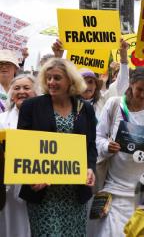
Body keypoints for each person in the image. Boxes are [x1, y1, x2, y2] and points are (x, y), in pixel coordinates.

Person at [16, 58, 97, 236]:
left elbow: (90, 146)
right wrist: (31, 177)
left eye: (57, 78)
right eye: (48, 78)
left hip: (74, 194)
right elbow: (23, 146)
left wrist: (90, 168)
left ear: (71, 80)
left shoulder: (85, 108)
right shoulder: (31, 106)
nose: (51, 82)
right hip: (44, 194)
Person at [92, 66, 144, 237]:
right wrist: (106, 146)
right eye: (139, 89)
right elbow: (98, 137)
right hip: (115, 187)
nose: (142, 95)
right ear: (131, 84)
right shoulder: (114, 104)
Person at [51, 39, 130, 119]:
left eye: (90, 82)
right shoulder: (67, 102)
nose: (86, 86)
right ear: (76, 86)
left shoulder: (104, 100)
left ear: (96, 86)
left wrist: (123, 57)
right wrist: (57, 58)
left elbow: (123, 84)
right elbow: (54, 86)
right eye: (82, 82)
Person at [0, 74, 38, 237]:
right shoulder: (2, 119)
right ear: (10, 93)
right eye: (17, 88)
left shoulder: (45, 118)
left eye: (26, 88)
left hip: (37, 186)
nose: (21, 91)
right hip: (7, 187)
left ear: (36, 92)